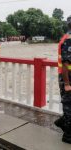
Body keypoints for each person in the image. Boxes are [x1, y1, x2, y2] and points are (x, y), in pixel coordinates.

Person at [54, 15, 71, 144]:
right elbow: (65, 64)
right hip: (67, 77)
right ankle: (67, 135)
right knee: (68, 105)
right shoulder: (68, 40)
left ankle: (61, 122)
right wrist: (66, 83)